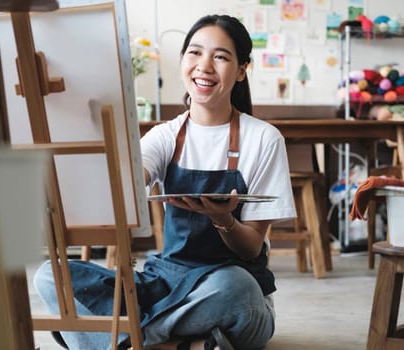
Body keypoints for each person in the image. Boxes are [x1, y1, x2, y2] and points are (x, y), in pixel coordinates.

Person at [34, 14, 296, 350]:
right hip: (166, 281)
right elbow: (131, 178)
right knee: (50, 274)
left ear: (242, 70)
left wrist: (223, 220)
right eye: (195, 53)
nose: (204, 66)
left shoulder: (263, 139)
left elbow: (251, 247)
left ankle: (119, 340)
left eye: (220, 56)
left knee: (238, 289)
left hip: (223, 287)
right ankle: (179, 345)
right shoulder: (165, 136)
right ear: (183, 60)